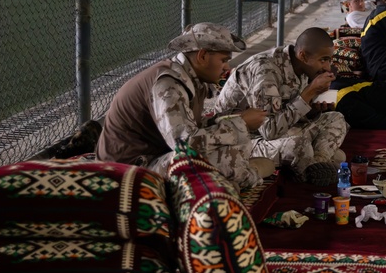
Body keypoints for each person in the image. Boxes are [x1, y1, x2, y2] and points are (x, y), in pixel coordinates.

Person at [96, 23, 275, 190]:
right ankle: (244, 176)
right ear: (202, 56)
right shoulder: (168, 85)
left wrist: (234, 124)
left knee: (236, 143)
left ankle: (236, 177)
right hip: (124, 172)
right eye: (223, 60)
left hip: (155, 156)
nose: (226, 67)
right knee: (223, 159)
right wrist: (241, 124)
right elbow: (185, 146)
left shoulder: (191, 79)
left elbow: (192, 127)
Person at [215, 27, 349, 187]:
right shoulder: (265, 71)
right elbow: (269, 131)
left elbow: (288, 112)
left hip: (280, 131)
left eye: (329, 60)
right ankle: (317, 166)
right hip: (244, 139)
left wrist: (312, 110)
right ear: (303, 56)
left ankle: (318, 164)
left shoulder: (301, 65)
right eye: (323, 60)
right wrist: (308, 93)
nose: (327, 67)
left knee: (336, 119)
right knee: (299, 146)